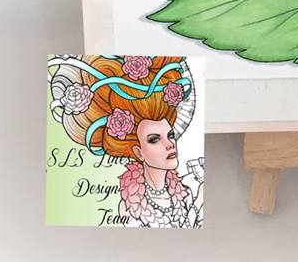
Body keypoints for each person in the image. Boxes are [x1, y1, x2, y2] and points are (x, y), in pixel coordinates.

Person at [47, 55, 203, 228]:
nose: (170, 144)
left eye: (170, 135)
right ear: (138, 152)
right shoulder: (129, 210)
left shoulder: (189, 190)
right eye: (154, 139)